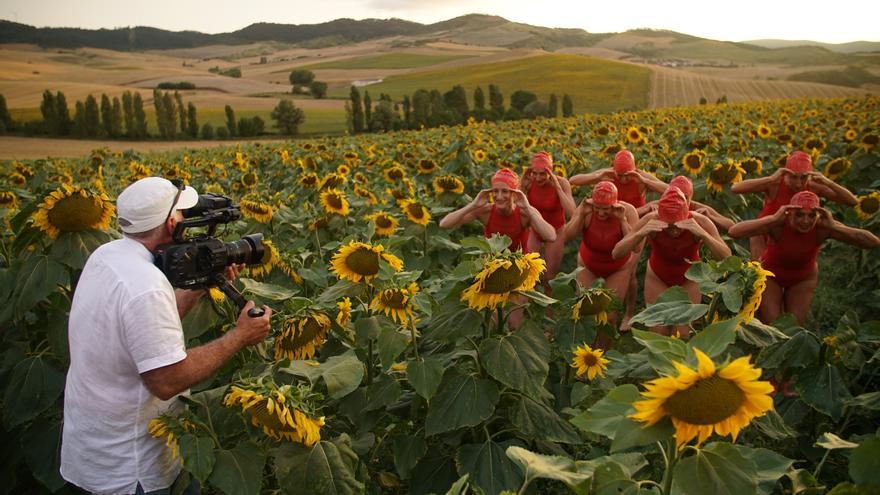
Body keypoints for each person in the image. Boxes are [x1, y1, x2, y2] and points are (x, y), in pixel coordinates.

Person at [61, 177, 273, 495]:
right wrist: (239, 336)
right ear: (172, 222)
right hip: (132, 471)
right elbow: (167, 380)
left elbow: (143, 331)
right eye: (184, 216)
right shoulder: (146, 285)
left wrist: (200, 286)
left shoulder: (106, 256)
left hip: (94, 454)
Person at [728, 191, 880, 325]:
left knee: (793, 327)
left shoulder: (824, 226)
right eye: (799, 214)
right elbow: (734, 232)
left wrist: (834, 227)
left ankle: (790, 356)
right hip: (771, 274)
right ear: (790, 212)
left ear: (818, 215)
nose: (805, 221)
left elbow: (872, 242)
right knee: (773, 325)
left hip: (803, 277)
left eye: (811, 215)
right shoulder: (779, 223)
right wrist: (774, 218)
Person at [612, 186, 731, 338]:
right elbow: (617, 252)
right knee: (658, 332)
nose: (674, 231)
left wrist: (703, 235)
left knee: (682, 334)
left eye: (678, 226)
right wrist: (642, 232)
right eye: (669, 226)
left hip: (689, 279)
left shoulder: (700, 221)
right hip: (658, 277)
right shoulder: (651, 220)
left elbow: (726, 257)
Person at [730, 151, 857, 259]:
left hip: (796, 236)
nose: (798, 183)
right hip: (765, 234)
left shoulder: (814, 186)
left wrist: (829, 182)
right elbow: (735, 188)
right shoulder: (775, 184)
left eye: (803, 178)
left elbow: (852, 202)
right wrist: (770, 179)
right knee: (760, 272)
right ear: (785, 173)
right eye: (793, 177)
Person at [564, 181, 639, 342]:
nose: (601, 213)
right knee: (585, 310)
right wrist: (582, 214)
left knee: (610, 316)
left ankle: (602, 355)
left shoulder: (628, 211)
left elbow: (636, 247)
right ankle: (583, 350)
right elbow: (566, 237)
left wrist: (622, 220)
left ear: (615, 204)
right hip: (588, 264)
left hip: (618, 267)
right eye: (597, 207)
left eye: (606, 209)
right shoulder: (586, 209)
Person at [439, 167, 557, 250]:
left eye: (505, 191)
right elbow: (444, 224)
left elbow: (551, 236)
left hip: (518, 266)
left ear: (514, 194)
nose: (499, 196)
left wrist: (528, 208)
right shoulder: (485, 211)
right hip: (491, 265)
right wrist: (473, 205)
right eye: (495, 191)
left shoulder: (525, 213)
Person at [521, 151, 575, 290]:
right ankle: (528, 306)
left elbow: (572, 212)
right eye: (535, 173)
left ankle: (549, 310)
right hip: (536, 230)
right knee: (528, 270)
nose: (538, 178)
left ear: (551, 172)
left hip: (556, 231)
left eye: (543, 174)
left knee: (550, 277)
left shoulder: (562, 183)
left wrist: (557, 187)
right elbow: (515, 207)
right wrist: (522, 186)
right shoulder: (529, 183)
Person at [637, 175, 735, 232]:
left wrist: (710, 217)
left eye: (685, 197)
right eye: (675, 195)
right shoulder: (660, 205)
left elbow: (732, 227)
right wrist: (647, 210)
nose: (680, 200)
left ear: (691, 197)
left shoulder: (697, 208)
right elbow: (631, 214)